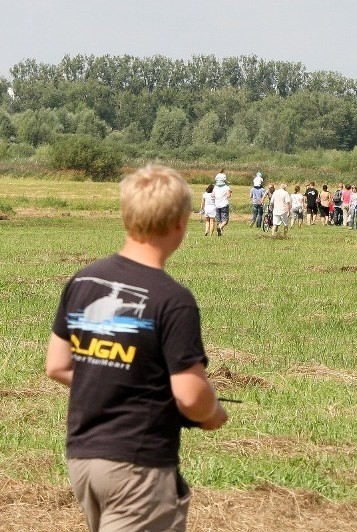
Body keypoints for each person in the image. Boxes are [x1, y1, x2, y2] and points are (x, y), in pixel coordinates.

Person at [45, 165, 228, 532]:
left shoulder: (83, 281)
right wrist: (212, 414)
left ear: (126, 217)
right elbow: (190, 396)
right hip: (138, 465)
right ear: (180, 224)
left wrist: (118, 381)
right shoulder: (173, 300)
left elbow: (57, 365)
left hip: (83, 459)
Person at [212, 171, 231, 236]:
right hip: (224, 205)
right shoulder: (226, 187)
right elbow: (228, 196)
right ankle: (220, 228)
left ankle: (220, 233)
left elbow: (212, 195)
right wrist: (230, 192)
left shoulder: (215, 187)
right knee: (225, 220)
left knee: (219, 220)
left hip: (217, 205)